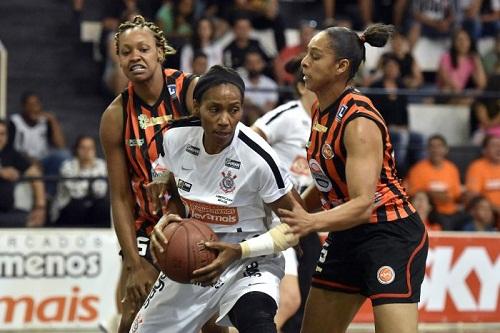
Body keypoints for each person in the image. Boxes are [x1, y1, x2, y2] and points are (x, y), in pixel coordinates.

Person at [276, 24, 429, 333]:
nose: (304, 62)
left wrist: (309, 224)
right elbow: (326, 184)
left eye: (315, 56)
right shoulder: (321, 110)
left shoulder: (358, 121)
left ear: (341, 67)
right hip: (346, 233)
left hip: (389, 234)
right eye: (307, 53)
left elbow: (362, 204)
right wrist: (299, 215)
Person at [133, 65, 302, 333]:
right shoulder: (175, 137)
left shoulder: (259, 158)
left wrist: (239, 251)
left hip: (248, 255)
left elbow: (296, 226)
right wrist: (168, 219)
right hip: (195, 253)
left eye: (234, 110)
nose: (225, 120)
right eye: (215, 110)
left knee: (258, 323)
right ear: (197, 107)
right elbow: (174, 187)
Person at [99, 15, 222, 333]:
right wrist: (132, 262)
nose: (134, 56)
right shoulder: (115, 116)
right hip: (149, 229)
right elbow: (121, 196)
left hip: (202, 220)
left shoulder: (191, 92)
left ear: (159, 52)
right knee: (131, 315)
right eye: (126, 52)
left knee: (209, 324)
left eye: (143, 48)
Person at [252, 57, 321, 332]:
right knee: (291, 297)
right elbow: (252, 137)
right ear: (303, 87)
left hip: (303, 216)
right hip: (277, 215)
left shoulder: (325, 123)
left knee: (306, 291)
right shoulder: (290, 115)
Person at [406, 135, 464, 230]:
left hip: (451, 211)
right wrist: (437, 195)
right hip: (430, 213)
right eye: (432, 146)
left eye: (439, 146)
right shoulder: (417, 169)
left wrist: (431, 193)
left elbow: (454, 195)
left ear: (446, 149)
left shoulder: (452, 168)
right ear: (427, 149)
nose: (435, 150)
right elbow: (415, 194)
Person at [50, 135, 110, 227]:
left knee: (103, 207)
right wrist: (86, 168)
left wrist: (88, 169)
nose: (87, 151)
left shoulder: (101, 165)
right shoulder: (67, 166)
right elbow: (76, 193)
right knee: (78, 206)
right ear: (77, 150)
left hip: (92, 206)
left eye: (90, 148)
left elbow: (100, 191)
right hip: (69, 207)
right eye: (83, 148)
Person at [0, 120, 46, 227]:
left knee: (30, 221)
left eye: (2, 134)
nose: (0, 138)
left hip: (6, 211)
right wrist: (1, 172)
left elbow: (35, 174)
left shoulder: (10, 153)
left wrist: (40, 206)